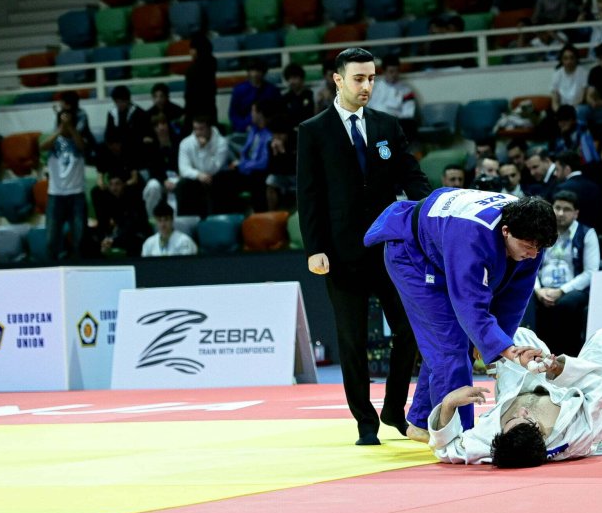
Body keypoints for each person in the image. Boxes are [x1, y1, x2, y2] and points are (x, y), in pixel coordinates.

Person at [297, 47, 430, 446]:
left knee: (408, 329)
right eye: (358, 79)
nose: (366, 86)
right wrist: (314, 248)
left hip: (389, 250)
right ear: (337, 79)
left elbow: (412, 176)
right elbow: (309, 195)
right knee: (352, 341)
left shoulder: (387, 124)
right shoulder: (314, 130)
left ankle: (394, 409)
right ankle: (365, 422)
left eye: (371, 78)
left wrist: (432, 212)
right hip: (341, 253)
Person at [363, 188, 557, 433]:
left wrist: (497, 344)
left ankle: (422, 422)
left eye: (540, 247)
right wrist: (508, 351)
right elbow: (471, 308)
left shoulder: (531, 234)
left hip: (442, 245)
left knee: (462, 344)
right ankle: (457, 435)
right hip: (413, 256)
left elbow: (516, 297)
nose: (534, 253)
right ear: (506, 231)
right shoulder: (473, 238)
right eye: (528, 246)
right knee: (450, 347)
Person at [413, 327, 602, 467]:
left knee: (512, 335)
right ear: (541, 434)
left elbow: (445, 450)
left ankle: (501, 360)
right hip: (578, 390)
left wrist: (449, 403)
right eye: (526, 418)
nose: (521, 412)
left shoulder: (490, 443)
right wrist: (560, 369)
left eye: (510, 421)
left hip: (521, 385)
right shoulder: (577, 433)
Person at [524, 191, 599, 357]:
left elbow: (590, 272)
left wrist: (562, 290)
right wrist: (538, 289)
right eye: (557, 208)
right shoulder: (541, 231)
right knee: (525, 297)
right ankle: (537, 355)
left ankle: (568, 356)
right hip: (542, 287)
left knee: (565, 305)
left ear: (576, 213)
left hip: (573, 289)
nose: (560, 213)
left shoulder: (586, 233)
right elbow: (528, 263)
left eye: (566, 209)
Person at [41, 108, 87, 260]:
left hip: (76, 194)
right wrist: (60, 129)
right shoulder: (53, 140)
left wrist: (70, 128)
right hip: (56, 194)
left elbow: (82, 147)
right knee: (51, 239)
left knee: (79, 239)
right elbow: (42, 147)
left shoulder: (79, 138)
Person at [215, 100, 273, 212]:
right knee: (220, 178)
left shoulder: (269, 134)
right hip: (246, 170)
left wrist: (242, 165)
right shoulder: (253, 130)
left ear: (260, 113)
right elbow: (245, 152)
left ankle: (259, 214)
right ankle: (231, 214)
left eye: (253, 111)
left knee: (258, 179)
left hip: (260, 172)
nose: (251, 115)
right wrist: (241, 163)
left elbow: (264, 163)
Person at [176, 115, 230, 217]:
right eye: (195, 129)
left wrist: (203, 149)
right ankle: (185, 221)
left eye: (201, 129)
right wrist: (198, 175)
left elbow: (213, 169)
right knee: (182, 185)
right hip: (196, 179)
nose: (198, 133)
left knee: (215, 181)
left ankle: (213, 220)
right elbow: (183, 169)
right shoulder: (185, 143)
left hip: (216, 179)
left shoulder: (222, 143)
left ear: (209, 128)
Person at [552, 150, 602, 233]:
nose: (555, 174)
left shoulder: (562, 188)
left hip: (571, 236)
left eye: (557, 169)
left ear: (567, 169)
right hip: (597, 234)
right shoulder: (595, 186)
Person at [366, 55, 417, 140]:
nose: (394, 74)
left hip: (397, 123)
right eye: (391, 71)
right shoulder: (374, 88)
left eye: (397, 71)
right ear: (384, 71)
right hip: (377, 123)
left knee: (408, 124)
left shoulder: (406, 90)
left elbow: (408, 114)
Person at [141, 113, 181, 217]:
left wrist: (179, 177)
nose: (161, 127)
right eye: (157, 125)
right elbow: (153, 170)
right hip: (160, 180)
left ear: (167, 125)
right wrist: (163, 181)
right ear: (154, 129)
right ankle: (152, 219)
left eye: (163, 123)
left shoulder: (178, 143)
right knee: (152, 186)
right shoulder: (150, 146)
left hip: (177, 178)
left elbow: (183, 163)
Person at [228, 58, 281, 134]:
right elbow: (233, 114)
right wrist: (244, 127)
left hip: (267, 130)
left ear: (263, 72)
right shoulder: (239, 90)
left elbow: (278, 113)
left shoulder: (272, 90)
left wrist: (265, 125)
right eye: (252, 71)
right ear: (248, 72)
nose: (255, 74)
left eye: (258, 71)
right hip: (243, 130)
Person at [184, 33, 218, 129]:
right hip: (210, 108)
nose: (190, 52)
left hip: (196, 111)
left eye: (192, 49)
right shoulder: (212, 63)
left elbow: (190, 95)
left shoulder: (193, 70)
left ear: (198, 49)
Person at [550, 44, 589, 113]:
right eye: (565, 58)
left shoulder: (583, 73)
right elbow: (555, 101)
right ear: (561, 60)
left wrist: (570, 111)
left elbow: (581, 99)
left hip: (578, 108)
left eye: (572, 58)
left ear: (576, 59)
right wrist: (559, 111)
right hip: (562, 110)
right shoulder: (557, 74)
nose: (569, 61)